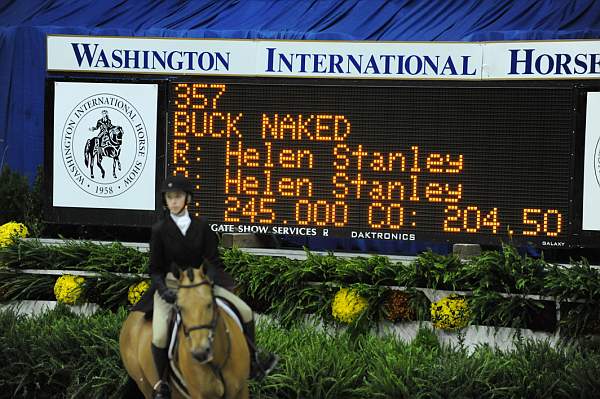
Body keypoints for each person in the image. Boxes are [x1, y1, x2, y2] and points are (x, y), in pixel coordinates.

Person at [149, 175, 278, 399]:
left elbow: (214, 261)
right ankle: (162, 384)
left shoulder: (202, 225)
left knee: (245, 311)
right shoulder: (160, 230)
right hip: (173, 285)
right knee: (160, 334)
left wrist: (209, 279)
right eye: (170, 198)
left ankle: (254, 361)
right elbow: (155, 269)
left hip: (202, 284)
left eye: (178, 197)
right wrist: (163, 290)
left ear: (187, 198)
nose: (174, 202)